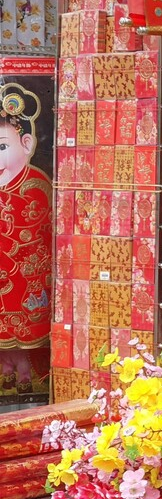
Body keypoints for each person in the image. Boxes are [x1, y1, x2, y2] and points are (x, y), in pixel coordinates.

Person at [0, 83, 52, 350]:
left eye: (2, 147)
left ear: (27, 144)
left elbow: (37, 233)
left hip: (25, 277)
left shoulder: (35, 185)